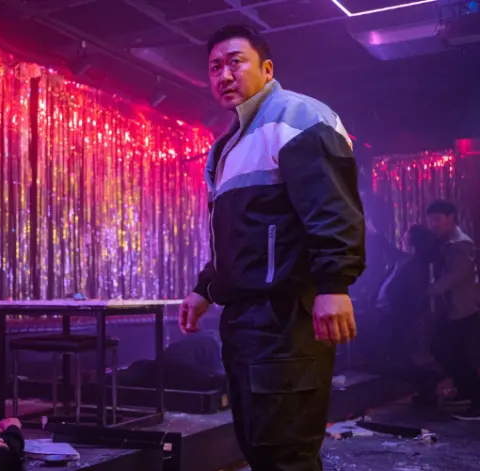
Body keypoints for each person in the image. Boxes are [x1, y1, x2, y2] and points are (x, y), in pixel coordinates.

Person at [179, 25, 365, 470]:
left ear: (266, 69)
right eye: (215, 67)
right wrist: (206, 288)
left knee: (286, 453)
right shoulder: (230, 145)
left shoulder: (297, 117)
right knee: (260, 446)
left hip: (287, 315)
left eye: (235, 61)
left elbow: (331, 207)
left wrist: (334, 285)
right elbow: (237, 234)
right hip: (246, 320)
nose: (224, 74)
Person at [425, 200, 480, 420]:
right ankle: (466, 391)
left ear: (451, 217)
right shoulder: (444, 241)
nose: (433, 224)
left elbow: (456, 276)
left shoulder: (461, 244)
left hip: (464, 309)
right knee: (443, 349)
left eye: (437, 219)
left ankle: (477, 402)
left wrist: (429, 290)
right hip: (452, 310)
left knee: (460, 355)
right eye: (430, 220)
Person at [374, 224, 440, 405]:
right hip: (388, 316)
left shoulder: (415, 266)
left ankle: (427, 381)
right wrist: (374, 233)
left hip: (396, 319)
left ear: (413, 242)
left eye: (406, 236)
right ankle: (426, 384)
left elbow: (412, 298)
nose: (402, 238)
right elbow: (389, 250)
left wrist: (403, 319)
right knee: (393, 357)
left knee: (394, 359)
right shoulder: (405, 260)